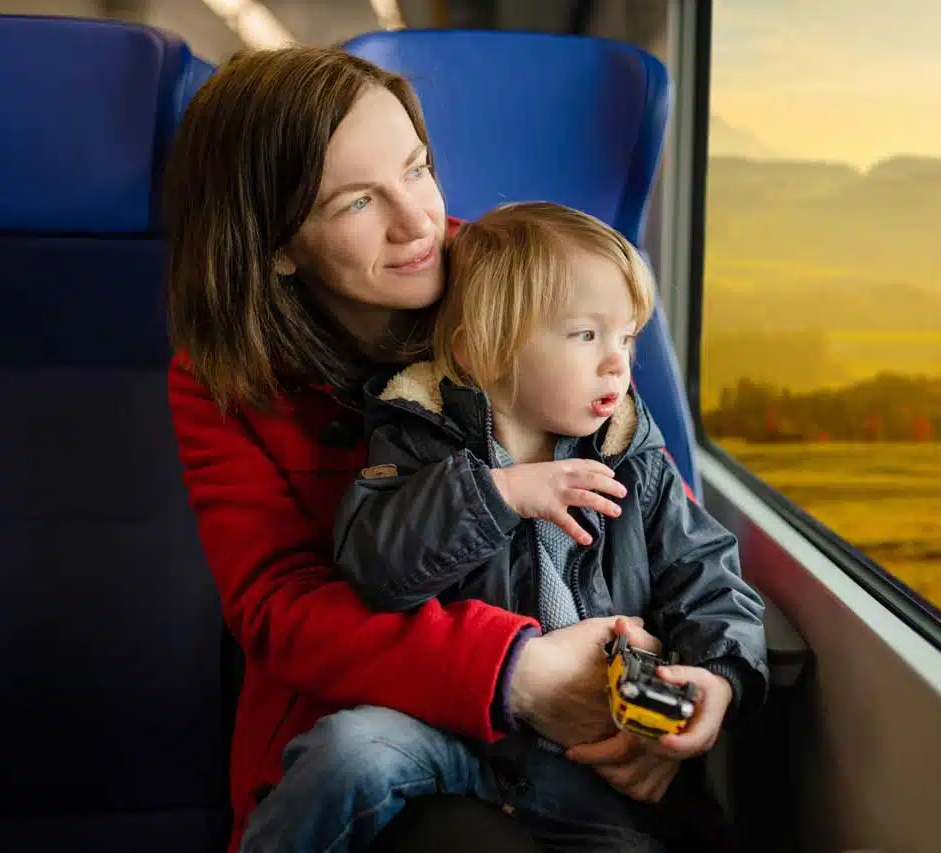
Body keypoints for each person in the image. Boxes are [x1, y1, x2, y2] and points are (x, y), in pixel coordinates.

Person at [163, 46, 679, 853]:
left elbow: (659, 508)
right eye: (358, 201)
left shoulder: (528, 287)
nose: (419, 222)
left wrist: (701, 679)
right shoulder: (224, 378)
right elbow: (281, 607)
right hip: (365, 724)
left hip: (577, 728)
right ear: (276, 246)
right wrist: (515, 672)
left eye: (418, 167)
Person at [237, 202, 770, 853]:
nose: (617, 364)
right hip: (456, 735)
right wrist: (497, 494)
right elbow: (376, 568)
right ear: (482, 350)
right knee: (347, 750)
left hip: (588, 763)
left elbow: (709, 573)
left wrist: (719, 675)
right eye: (585, 335)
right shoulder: (416, 433)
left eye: (627, 337)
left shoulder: (632, 455)